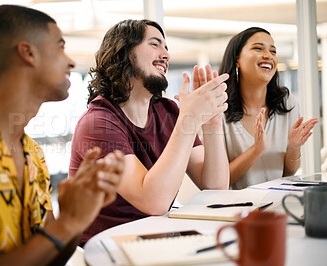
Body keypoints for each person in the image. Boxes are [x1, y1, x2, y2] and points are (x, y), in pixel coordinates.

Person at [0, 5, 124, 266]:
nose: (71, 61)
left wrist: (80, 214)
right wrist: (67, 224)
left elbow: (47, 257)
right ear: (28, 53)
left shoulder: (33, 155)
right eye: (60, 46)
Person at [69, 19, 230, 245]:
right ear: (124, 52)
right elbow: (154, 202)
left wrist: (212, 123)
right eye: (155, 44)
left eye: (166, 48)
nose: (166, 55)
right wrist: (189, 119)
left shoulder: (169, 112)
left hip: (155, 239)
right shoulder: (97, 122)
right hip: (108, 249)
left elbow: (216, 187)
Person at [219, 27, 318, 189]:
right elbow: (219, 182)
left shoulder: (287, 103)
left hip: (277, 205)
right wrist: (256, 150)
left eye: (273, 51)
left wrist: (294, 148)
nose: (268, 56)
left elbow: (287, 175)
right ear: (237, 58)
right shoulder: (219, 108)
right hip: (234, 210)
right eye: (258, 48)